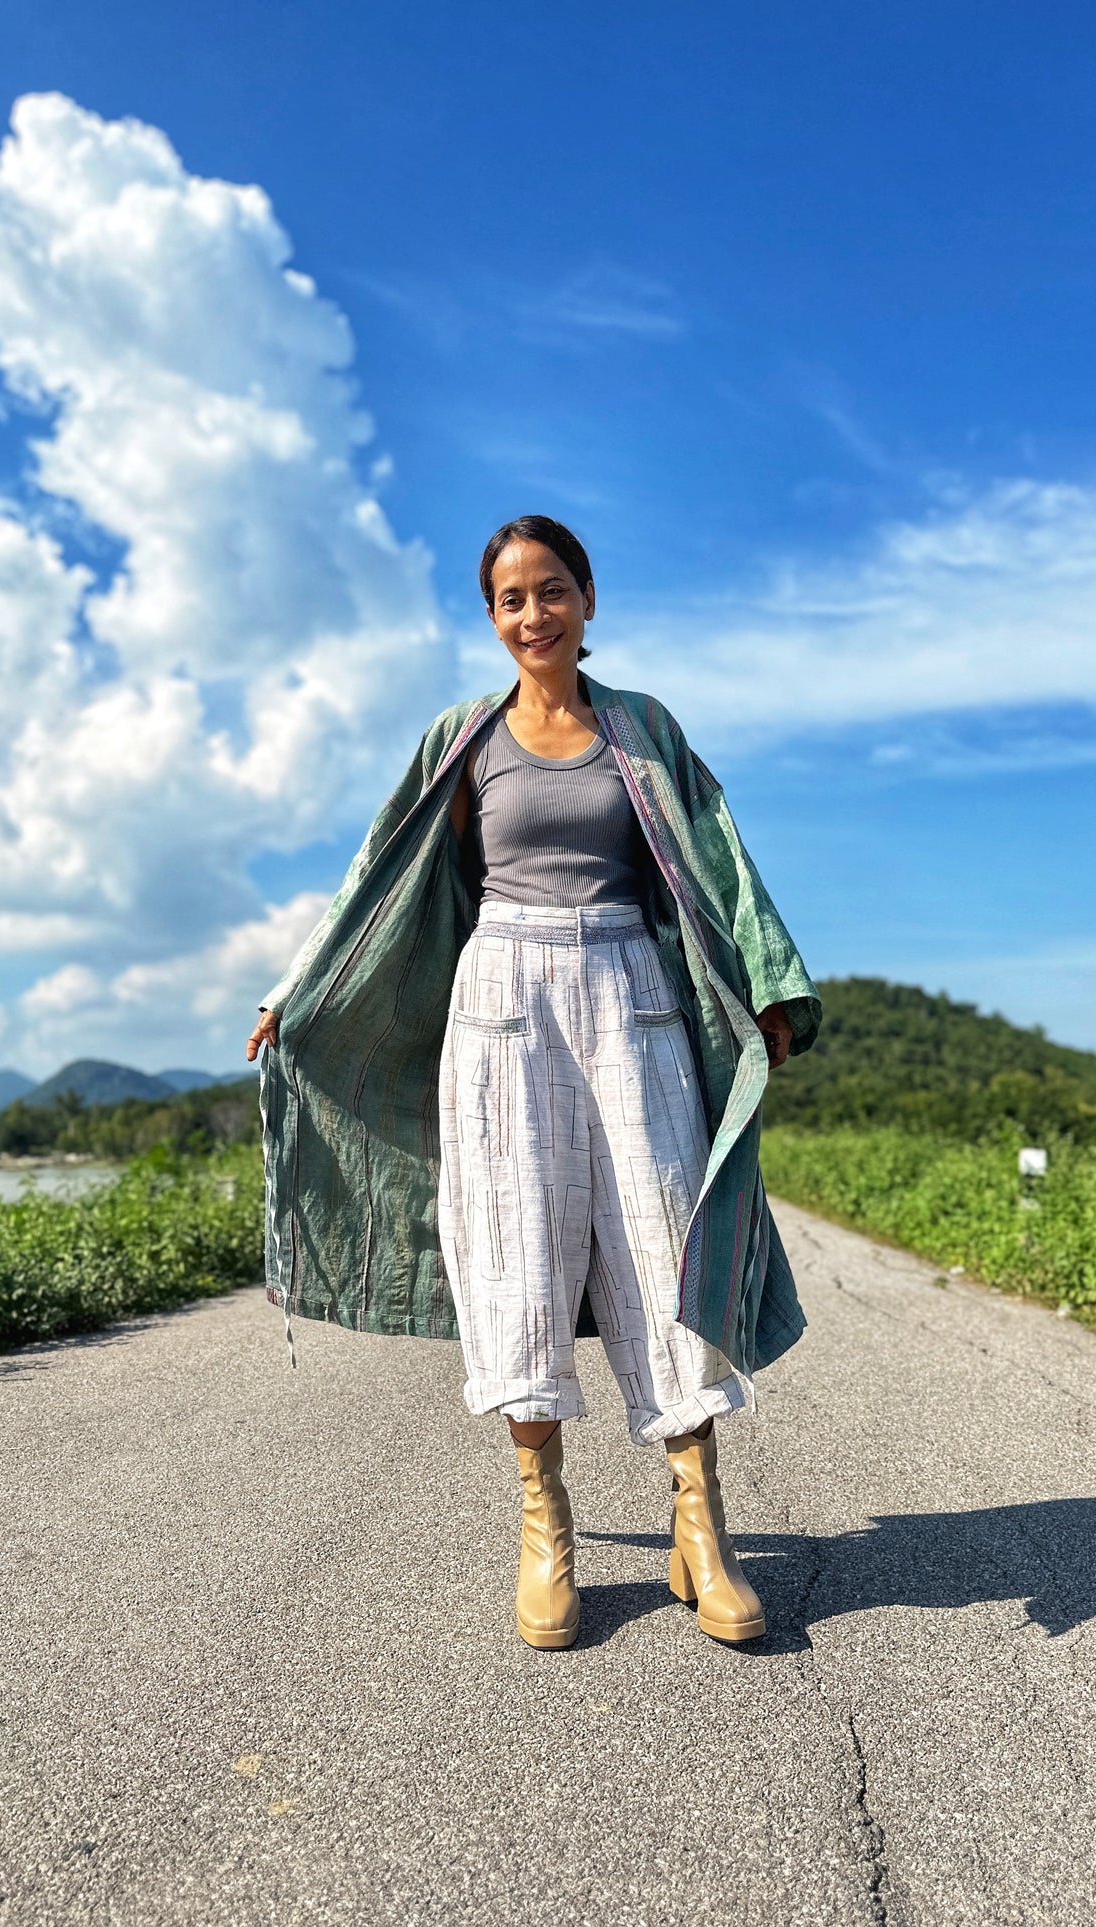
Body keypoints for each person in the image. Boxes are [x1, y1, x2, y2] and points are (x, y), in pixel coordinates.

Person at [246, 515, 820, 1650]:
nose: (531, 615)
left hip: (630, 990)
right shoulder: (462, 742)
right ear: (492, 617)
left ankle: (699, 1528)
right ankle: (542, 1522)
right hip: (500, 998)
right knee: (516, 1249)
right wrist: (297, 989)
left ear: (588, 600)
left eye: (550, 590)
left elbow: (721, 857)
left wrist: (766, 981)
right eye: (509, 599)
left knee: (664, 1236)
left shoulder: (641, 729)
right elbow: (379, 872)